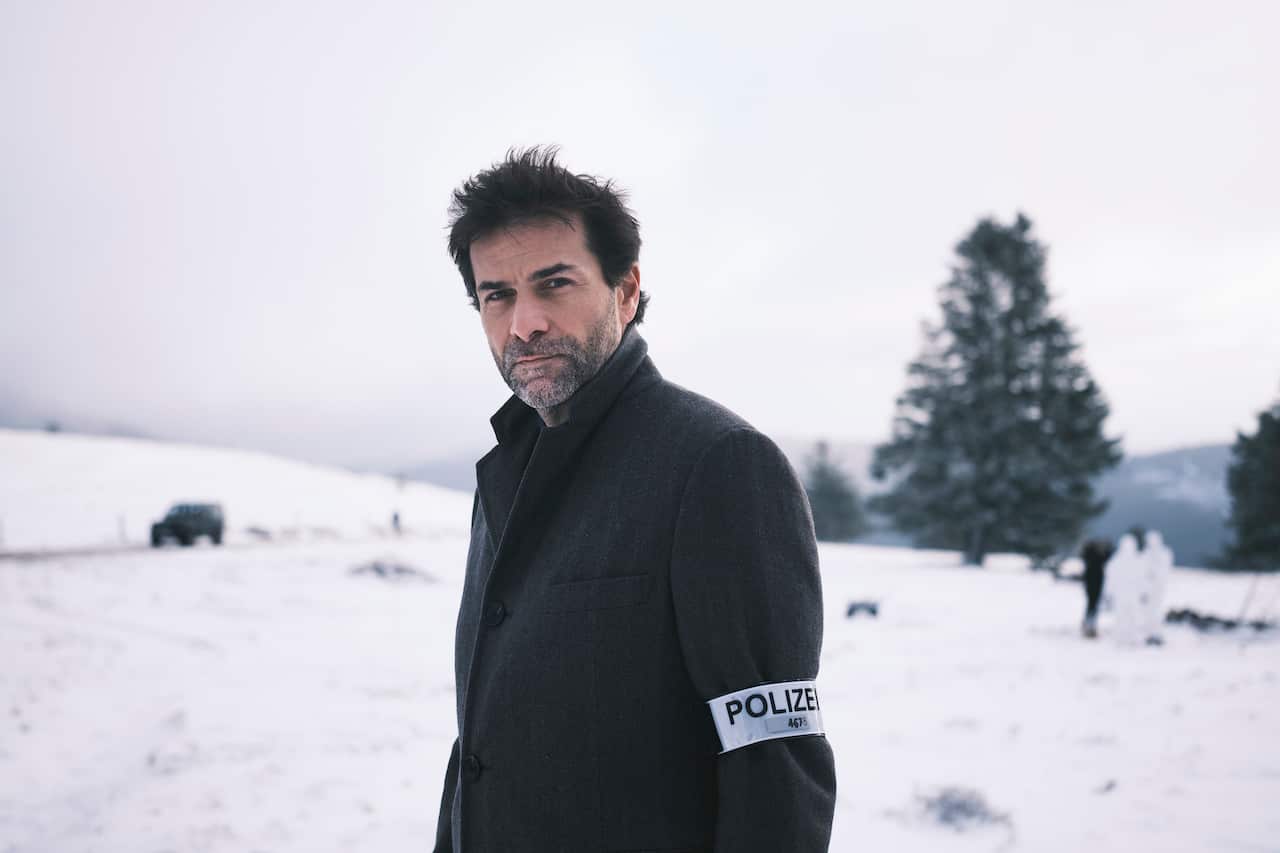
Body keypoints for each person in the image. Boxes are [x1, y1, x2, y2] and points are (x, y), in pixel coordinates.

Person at [431, 148, 836, 853]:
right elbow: (481, 748)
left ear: (625, 290)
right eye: (496, 294)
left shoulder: (719, 465)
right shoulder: (503, 474)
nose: (523, 323)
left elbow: (775, 769)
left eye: (553, 284)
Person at [1079, 538, 1114, 638]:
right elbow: (1108, 556)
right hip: (1096, 582)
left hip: (1092, 582)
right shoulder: (1098, 558)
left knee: (1091, 604)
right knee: (1093, 604)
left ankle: (1088, 624)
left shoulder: (1090, 558)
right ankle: (1090, 625)